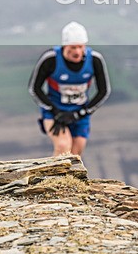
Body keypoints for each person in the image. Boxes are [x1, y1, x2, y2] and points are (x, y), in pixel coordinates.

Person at [28, 21, 111, 156]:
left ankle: (68, 172)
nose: (77, 52)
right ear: (64, 46)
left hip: (79, 112)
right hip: (55, 112)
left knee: (76, 153)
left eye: (80, 47)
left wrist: (81, 113)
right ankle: (54, 171)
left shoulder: (95, 59)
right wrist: (55, 111)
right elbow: (34, 88)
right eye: (72, 47)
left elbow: (104, 91)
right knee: (63, 146)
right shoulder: (50, 59)